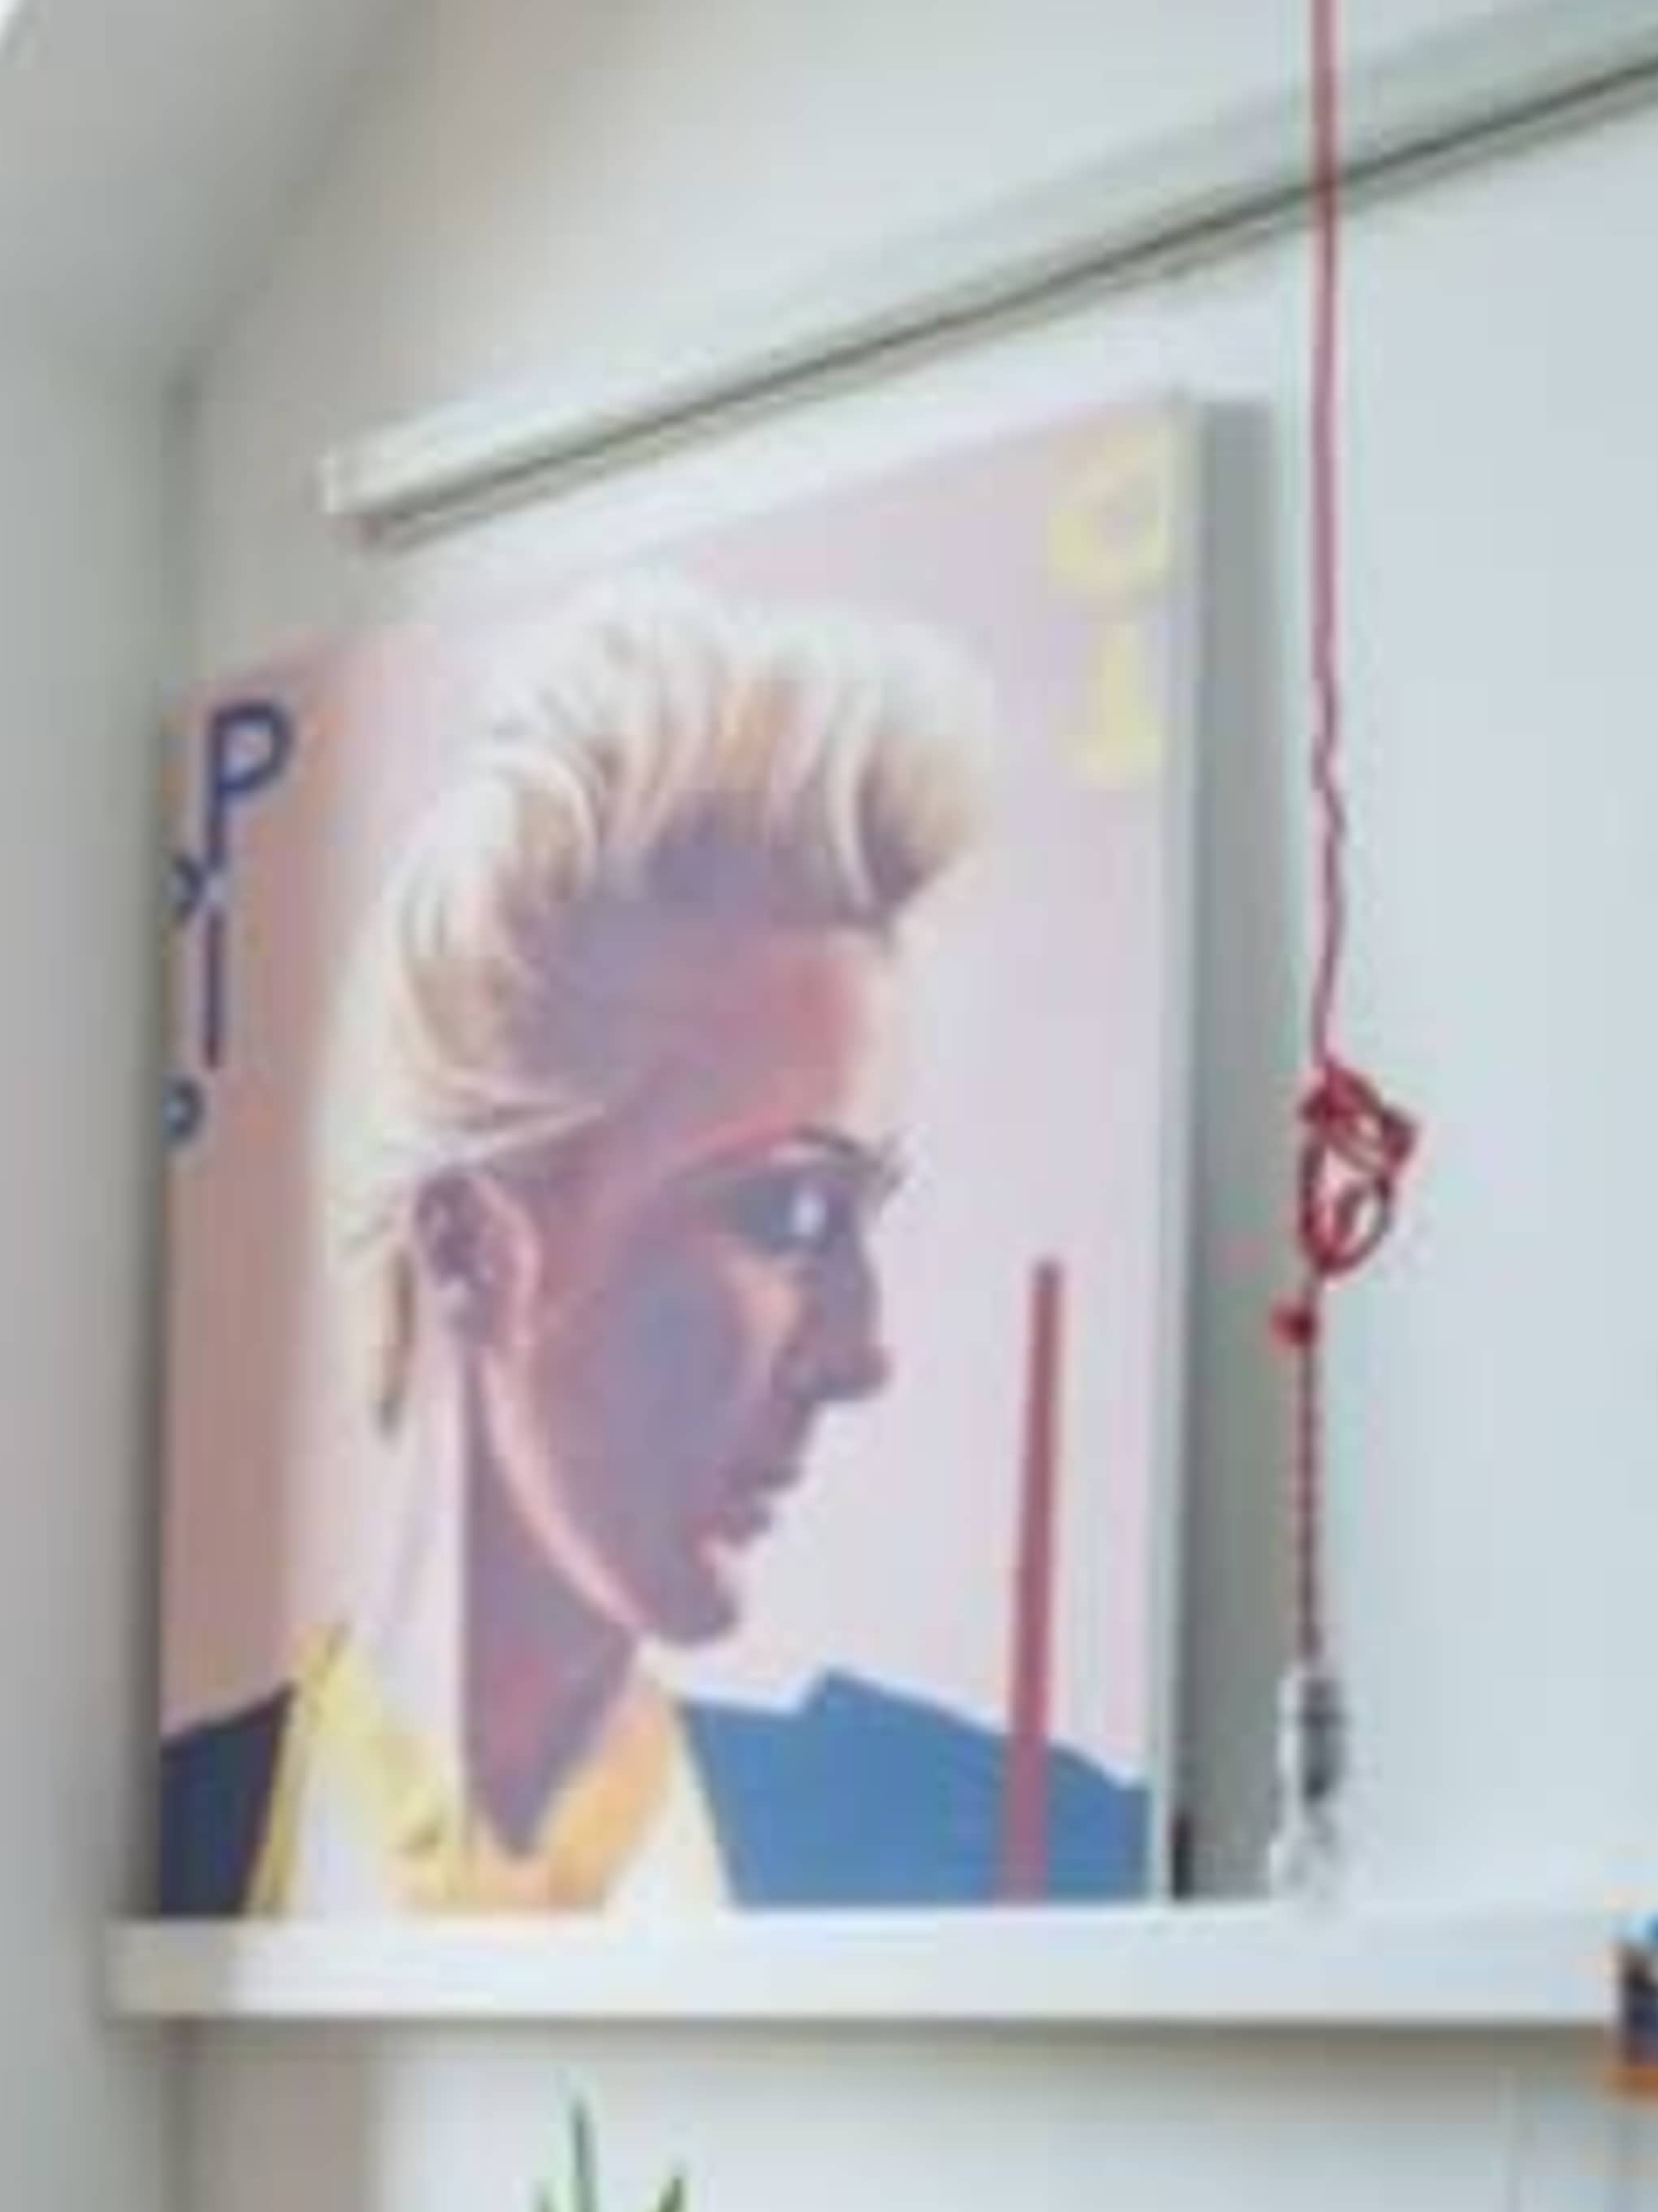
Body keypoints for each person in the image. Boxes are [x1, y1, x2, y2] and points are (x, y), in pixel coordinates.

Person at [158, 581, 1152, 1915]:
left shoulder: (992, 1838)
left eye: (866, 1219)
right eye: (791, 1215)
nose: (863, 1354)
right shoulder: (191, 1840)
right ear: (469, 1246)